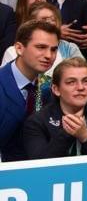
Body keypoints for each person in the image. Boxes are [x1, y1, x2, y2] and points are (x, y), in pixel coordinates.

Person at [22, 56, 87, 159]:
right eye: (71, 82)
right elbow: (40, 166)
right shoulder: (36, 122)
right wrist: (66, 132)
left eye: (86, 81)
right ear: (56, 89)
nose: (81, 87)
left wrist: (85, 137)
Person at [0, 19, 58, 161]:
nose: (49, 55)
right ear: (19, 48)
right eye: (41, 47)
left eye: (53, 49)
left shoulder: (48, 88)